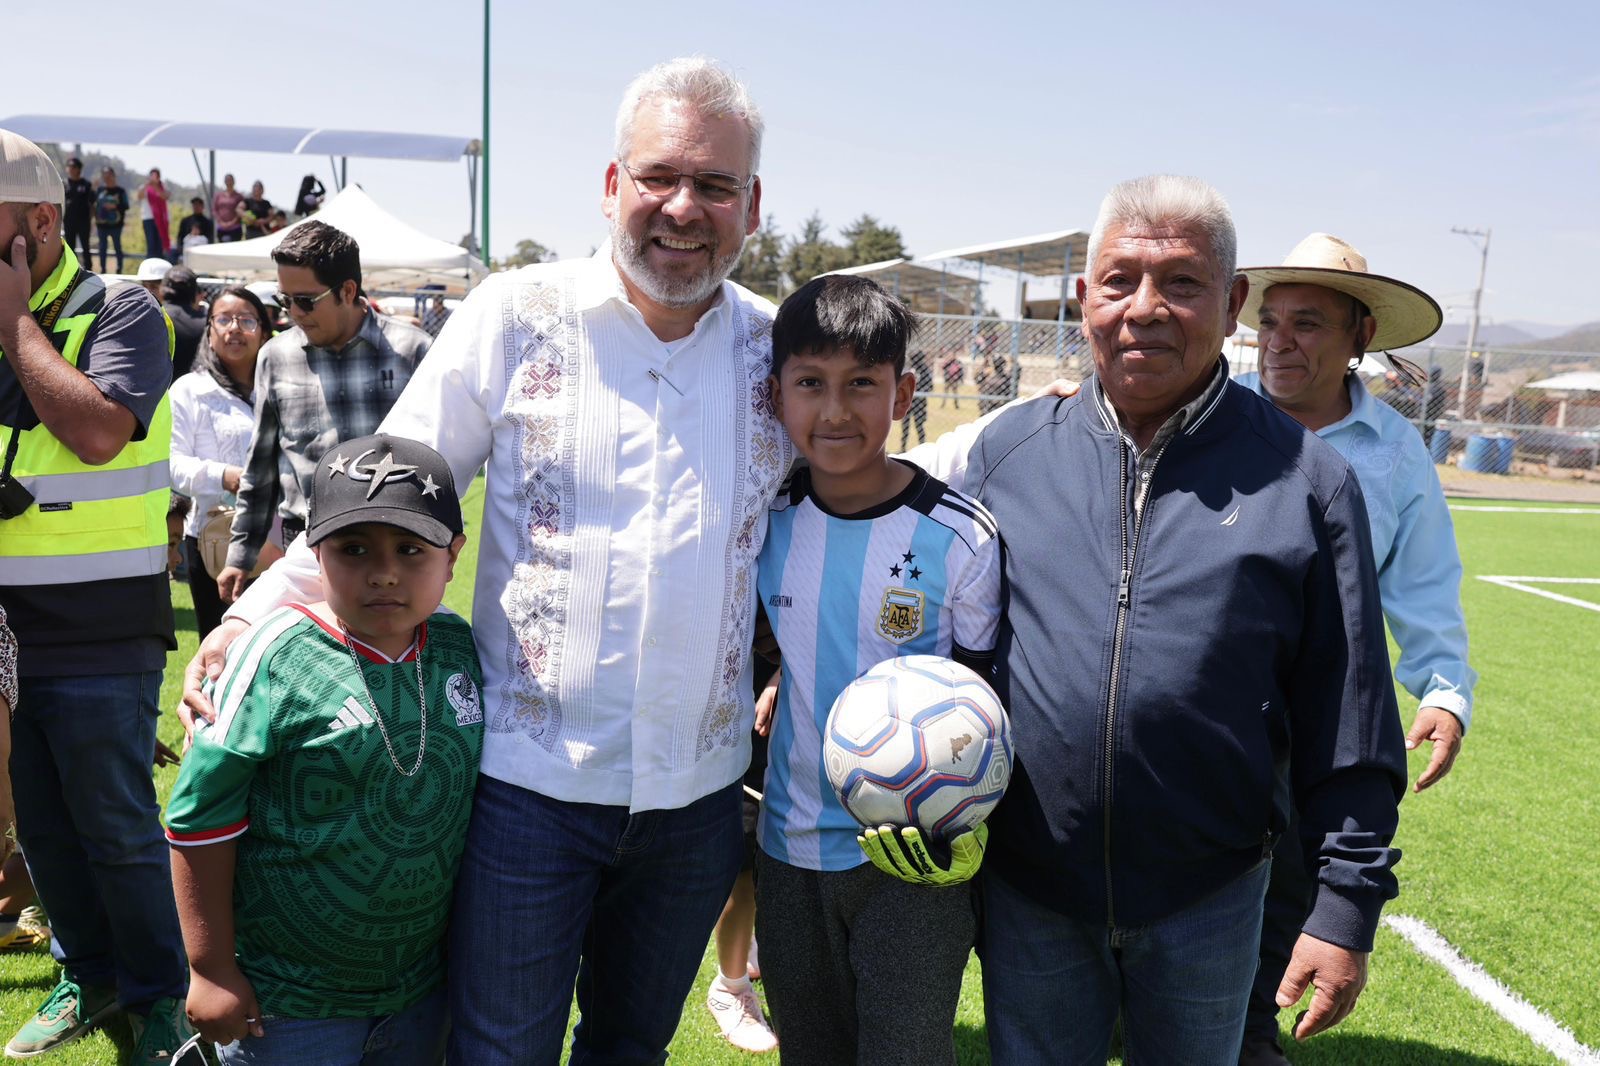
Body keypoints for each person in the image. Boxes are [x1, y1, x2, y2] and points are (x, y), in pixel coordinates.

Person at [184, 57, 790, 1064]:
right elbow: (388, 489)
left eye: (715, 184)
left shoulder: (778, 351)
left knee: (632, 1049)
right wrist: (247, 617)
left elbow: (861, 478)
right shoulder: (517, 314)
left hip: (696, 799)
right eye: (658, 177)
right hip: (528, 791)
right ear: (612, 186)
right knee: (499, 1052)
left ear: (753, 206)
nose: (684, 207)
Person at [909, 175, 1406, 1063]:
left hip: (1210, 896)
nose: (1146, 308)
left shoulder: (1308, 480)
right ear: (1083, 297)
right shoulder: (1008, 453)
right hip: (1031, 891)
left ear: (1233, 303)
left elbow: (1351, 712)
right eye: (1120, 280)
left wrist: (1345, 905)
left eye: (1181, 282)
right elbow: (946, 639)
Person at [1235, 232, 1476, 1066]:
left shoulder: (1396, 454)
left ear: (1360, 336)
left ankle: (1250, 1032)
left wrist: (1443, 690)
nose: (1279, 341)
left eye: (1306, 323)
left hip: (1319, 716)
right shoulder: (1209, 412)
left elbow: (1424, 581)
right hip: (1204, 701)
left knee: (1291, 884)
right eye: (1270, 321)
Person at [166, 433, 480, 1065]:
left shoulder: (458, 646)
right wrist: (211, 968)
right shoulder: (275, 654)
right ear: (315, 553)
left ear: (452, 556)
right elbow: (200, 818)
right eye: (353, 548)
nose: (383, 571)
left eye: (411, 549)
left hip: (421, 994)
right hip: (288, 1004)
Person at [752, 275, 1002, 1066]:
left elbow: (989, 699)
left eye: (862, 383)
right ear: (776, 395)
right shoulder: (764, 518)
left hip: (914, 856)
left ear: (904, 394)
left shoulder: (960, 537)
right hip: (788, 846)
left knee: (906, 1052)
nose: (835, 411)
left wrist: (970, 821)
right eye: (810, 383)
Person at [0, 128, 191, 1061]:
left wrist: (14, 324)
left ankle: (160, 992)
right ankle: (89, 971)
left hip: (102, 623)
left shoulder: (123, 310)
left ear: (41, 223)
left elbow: (100, 433)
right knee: (39, 827)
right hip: (9, 630)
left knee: (114, 823)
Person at [217, 221, 431, 602]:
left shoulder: (413, 352)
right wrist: (241, 552)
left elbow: (440, 461)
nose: (293, 313)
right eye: (284, 300)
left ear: (348, 291)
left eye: (305, 300)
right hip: (305, 545)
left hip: (395, 544)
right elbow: (261, 466)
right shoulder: (274, 357)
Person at [170, 286, 276, 637]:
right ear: (209, 331)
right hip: (215, 539)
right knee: (222, 645)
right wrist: (225, 476)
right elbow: (171, 464)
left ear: (264, 331)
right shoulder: (189, 390)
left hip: (281, 537)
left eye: (247, 320)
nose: (235, 328)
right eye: (224, 319)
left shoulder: (281, 386)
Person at [161, 266, 207, 379]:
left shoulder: (148, 316)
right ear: (194, 293)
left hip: (152, 388)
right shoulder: (205, 325)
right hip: (192, 387)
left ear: (162, 290)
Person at [94, 166, 130, 273]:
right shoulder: (99, 190)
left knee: (117, 246)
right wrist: (93, 188)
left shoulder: (121, 191)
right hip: (101, 224)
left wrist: (115, 206)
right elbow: (92, 202)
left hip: (116, 225)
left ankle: (119, 269)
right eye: (104, 175)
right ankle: (103, 269)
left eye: (109, 175)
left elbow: (126, 206)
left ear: (114, 176)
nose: (107, 177)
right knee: (102, 247)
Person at [61, 157, 93, 266]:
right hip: (69, 220)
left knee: (85, 246)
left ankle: (88, 268)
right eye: (69, 166)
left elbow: (92, 202)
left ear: (79, 169)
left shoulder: (86, 184)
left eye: (73, 167)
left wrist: (91, 219)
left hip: (83, 221)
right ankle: (73, 268)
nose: (70, 169)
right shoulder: (64, 184)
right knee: (70, 247)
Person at [899, 347, 932, 448]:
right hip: (907, 401)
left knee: (919, 425)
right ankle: (903, 447)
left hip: (919, 402)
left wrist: (918, 392)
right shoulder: (908, 369)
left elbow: (930, 386)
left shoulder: (924, 369)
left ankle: (922, 446)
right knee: (905, 425)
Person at [141, 168, 170, 261]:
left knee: (160, 246)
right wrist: (147, 185)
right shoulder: (144, 186)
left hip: (161, 220)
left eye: (155, 176)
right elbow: (139, 196)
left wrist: (155, 186)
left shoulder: (163, 186)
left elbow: (165, 196)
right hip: (148, 219)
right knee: (151, 245)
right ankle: (150, 265)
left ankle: (160, 264)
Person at [213, 175, 244, 242]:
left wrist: (232, 223)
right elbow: (215, 210)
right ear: (224, 182)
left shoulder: (239, 196)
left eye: (230, 180)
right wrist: (221, 222)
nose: (229, 182)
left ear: (234, 182)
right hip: (221, 228)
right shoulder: (219, 195)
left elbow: (241, 211)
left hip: (235, 228)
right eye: (227, 180)